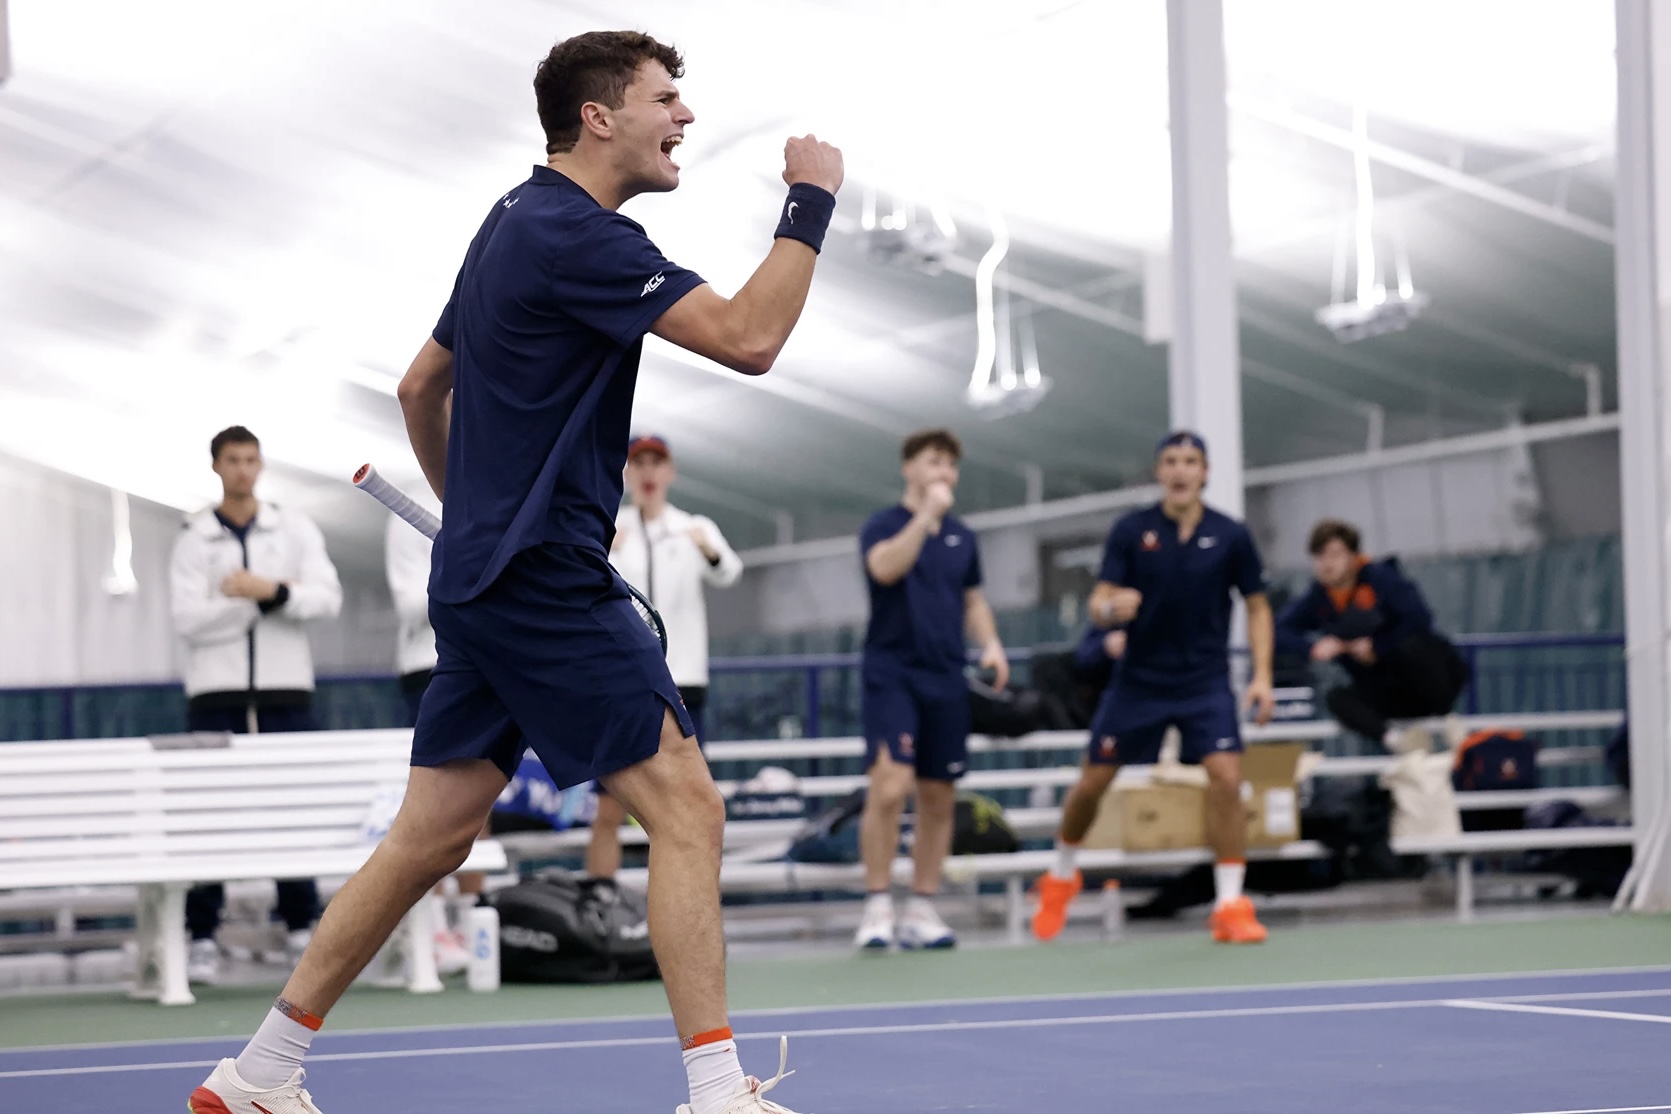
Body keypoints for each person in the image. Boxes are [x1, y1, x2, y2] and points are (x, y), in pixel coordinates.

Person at [188, 30, 840, 1114]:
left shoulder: (508, 222)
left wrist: (472, 520)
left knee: (431, 836)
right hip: (540, 581)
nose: (684, 117)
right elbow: (749, 335)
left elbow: (416, 388)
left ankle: (257, 1071)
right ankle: (720, 1094)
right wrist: (810, 200)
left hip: (485, 577)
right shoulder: (578, 236)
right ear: (599, 117)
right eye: (665, 99)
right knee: (690, 811)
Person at [1031, 431, 1277, 945]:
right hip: (1138, 683)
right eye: (1171, 461)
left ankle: (1231, 904)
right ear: (1159, 472)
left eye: (1191, 461)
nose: (1181, 470)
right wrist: (1106, 610)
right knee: (1091, 785)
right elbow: (1099, 598)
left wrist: (1261, 675)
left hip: (1204, 681)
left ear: (1205, 472)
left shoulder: (1230, 535)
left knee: (1228, 780)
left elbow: (1257, 606)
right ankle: (1061, 873)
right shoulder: (1132, 530)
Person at [169, 425, 343, 982]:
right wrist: (255, 601)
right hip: (214, 695)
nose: (243, 469)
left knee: (291, 807)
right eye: (233, 460)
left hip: (286, 691)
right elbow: (187, 621)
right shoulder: (193, 537)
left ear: (261, 466)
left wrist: (272, 592)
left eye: (251, 459)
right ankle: (201, 934)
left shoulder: (293, 528)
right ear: (217, 466)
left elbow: (325, 599)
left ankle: (299, 924)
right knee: (209, 812)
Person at [852, 428, 1009, 952]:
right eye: (934, 461)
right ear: (910, 469)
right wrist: (925, 517)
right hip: (892, 672)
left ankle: (921, 905)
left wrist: (990, 644)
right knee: (890, 786)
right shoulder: (884, 525)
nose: (944, 472)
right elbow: (884, 568)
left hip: (946, 675)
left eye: (951, 465)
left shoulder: (964, 537)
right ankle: (877, 903)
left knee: (939, 796)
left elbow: (973, 600)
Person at [591, 433, 743, 880]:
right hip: (622, 680)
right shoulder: (609, 529)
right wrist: (602, 555)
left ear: (670, 473)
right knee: (608, 806)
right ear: (627, 474)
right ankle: (600, 903)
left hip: (682, 681)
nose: (648, 473)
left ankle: (693, 898)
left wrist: (707, 549)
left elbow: (729, 572)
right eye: (640, 464)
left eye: (657, 464)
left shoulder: (693, 526)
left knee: (690, 800)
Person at [384, 491, 483, 975]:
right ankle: (435, 926)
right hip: (430, 669)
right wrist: (473, 577)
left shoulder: (500, 490)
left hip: (489, 659)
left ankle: (472, 920)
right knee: (433, 806)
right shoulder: (406, 508)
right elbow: (408, 605)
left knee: (482, 799)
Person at [1275, 518, 1469, 750]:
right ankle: (1397, 742)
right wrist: (1312, 648)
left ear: (1353, 556)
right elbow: (1279, 629)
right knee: (1336, 698)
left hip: (1430, 683)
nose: (1326, 564)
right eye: (1319, 556)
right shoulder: (1317, 598)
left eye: (1334, 555)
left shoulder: (1382, 579)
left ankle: (1449, 721)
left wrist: (1376, 646)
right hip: (1387, 691)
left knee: (1413, 646)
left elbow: (1419, 618)